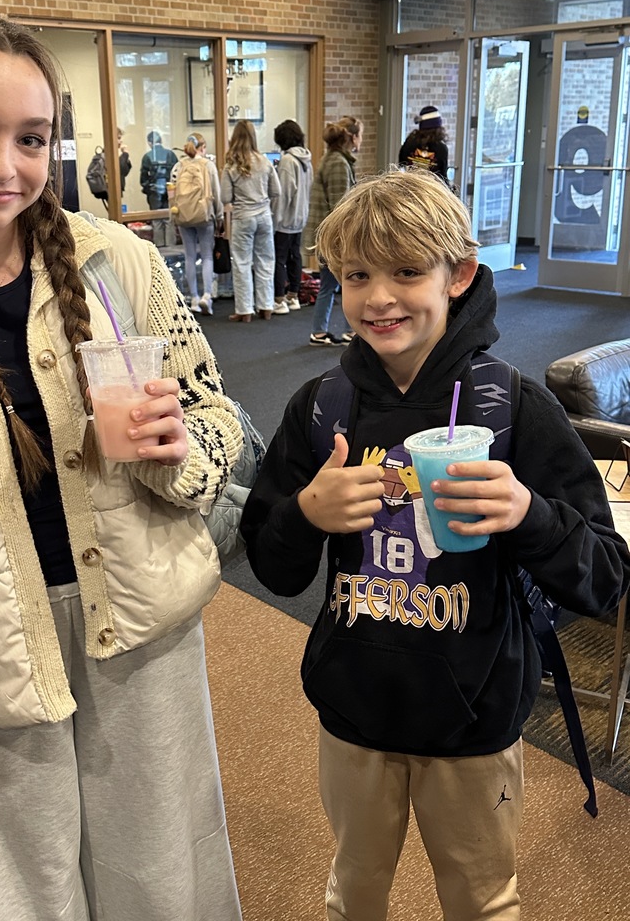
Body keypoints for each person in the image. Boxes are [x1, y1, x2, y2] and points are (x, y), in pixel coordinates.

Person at [0, 7, 244, 921]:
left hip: (139, 627)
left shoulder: (119, 261)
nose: (5, 164)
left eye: (31, 137)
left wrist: (181, 449)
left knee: (166, 879)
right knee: (22, 897)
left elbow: (220, 416)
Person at [241, 168, 630, 921]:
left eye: (407, 272)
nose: (379, 297)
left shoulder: (513, 405)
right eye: (357, 277)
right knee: (353, 892)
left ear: (460, 275)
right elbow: (272, 564)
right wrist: (308, 515)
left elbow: (606, 576)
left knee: (482, 900)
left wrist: (527, 514)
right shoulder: (322, 407)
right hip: (354, 708)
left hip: (474, 712)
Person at [302, 115, 362, 346]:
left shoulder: (333, 159)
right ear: (352, 137)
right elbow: (341, 207)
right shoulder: (338, 163)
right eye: (360, 135)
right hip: (334, 238)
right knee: (344, 284)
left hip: (328, 236)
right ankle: (349, 332)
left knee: (331, 286)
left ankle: (320, 331)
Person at [220, 119, 280, 322]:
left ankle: (245, 310)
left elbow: (225, 198)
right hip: (264, 216)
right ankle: (266, 307)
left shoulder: (231, 165)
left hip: (243, 218)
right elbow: (276, 191)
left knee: (242, 263)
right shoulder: (264, 161)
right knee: (265, 261)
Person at [170, 131, 223, 315]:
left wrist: (174, 214)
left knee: (189, 257)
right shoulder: (208, 165)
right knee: (207, 256)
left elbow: (171, 192)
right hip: (204, 215)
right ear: (203, 148)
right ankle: (206, 296)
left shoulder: (178, 166)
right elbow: (216, 193)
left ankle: (193, 298)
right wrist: (219, 216)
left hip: (184, 216)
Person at [270, 119, 313, 314]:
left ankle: (279, 299)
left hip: (286, 219)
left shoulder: (287, 160)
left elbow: (284, 193)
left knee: (279, 258)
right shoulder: (306, 159)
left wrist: (275, 220)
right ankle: (293, 296)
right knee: (295, 256)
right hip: (300, 216)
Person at [140, 129, 178, 248]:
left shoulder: (147, 157)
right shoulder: (170, 154)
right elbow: (177, 174)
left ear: (150, 143)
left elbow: (143, 179)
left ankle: (159, 250)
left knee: (156, 221)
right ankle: (172, 249)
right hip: (170, 192)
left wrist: (148, 189)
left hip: (154, 193)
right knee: (169, 219)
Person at [398, 105, 450, 184]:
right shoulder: (441, 148)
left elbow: (401, 165)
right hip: (430, 192)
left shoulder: (409, 143)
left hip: (409, 188)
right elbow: (443, 178)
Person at [117, 125, 132, 196]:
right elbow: (121, 169)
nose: (121, 141)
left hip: (119, 187)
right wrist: (125, 154)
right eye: (118, 138)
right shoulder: (108, 154)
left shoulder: (118, 153)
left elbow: (125, 172)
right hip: (112, 188)